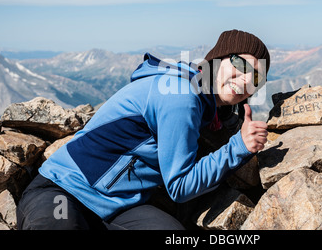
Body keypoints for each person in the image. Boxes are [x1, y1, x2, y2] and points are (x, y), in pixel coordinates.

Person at [16, 29, 271, 230]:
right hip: (64, 190)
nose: (247, 79)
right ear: (217, 58)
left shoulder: (206, 104)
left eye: (257, 78)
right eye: (241, 64)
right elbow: (180, 186)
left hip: (119, 207)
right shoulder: (181, 95)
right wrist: (238, 147)